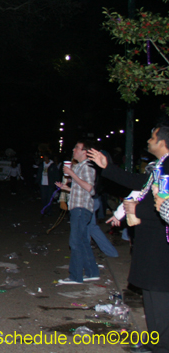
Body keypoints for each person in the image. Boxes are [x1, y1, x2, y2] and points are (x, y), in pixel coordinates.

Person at [89, 124, 169, 353]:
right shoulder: (159, 167)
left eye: (152, 137)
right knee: (151, 295)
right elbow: (140, 183)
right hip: (150, 240)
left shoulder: (168, 168)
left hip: (161, 242)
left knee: (161, 296)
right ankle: (155, 342)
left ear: (162, 142)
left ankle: (163, 346)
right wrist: (109, 168)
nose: (148, 141)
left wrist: (134, 211)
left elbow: (163, 207)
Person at [56, 140, 98, 285]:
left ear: (84, 152)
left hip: (81, 208)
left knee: (75, 242)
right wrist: (66, 188)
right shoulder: (79, 167)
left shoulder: (86, 167)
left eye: (77, 148)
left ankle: (75, 276)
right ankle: (92, 272)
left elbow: (90, 188)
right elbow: (80, 189)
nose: (74, 150)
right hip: (79, 207)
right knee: (83, 241)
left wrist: (71, 174)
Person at [35, 151, 61, 215]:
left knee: (49, 198)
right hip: (43, 184)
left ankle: (49, 211)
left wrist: (57, 183)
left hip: (50, 184)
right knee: (44, 198)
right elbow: (39, 173)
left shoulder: (53, 165)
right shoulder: (42, 165)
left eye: (46, 157)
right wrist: (37, 181)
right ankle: (44, 209)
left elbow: (56, 175)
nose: (45, 158)